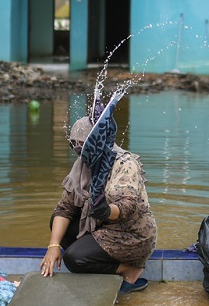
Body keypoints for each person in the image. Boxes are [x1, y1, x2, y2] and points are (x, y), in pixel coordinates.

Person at [39, 116, 158, 293]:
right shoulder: (82, 166)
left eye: (81, 146)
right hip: (101, 226)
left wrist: (105, 210)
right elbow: (65, 208)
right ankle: (97, 261)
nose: (78, 152)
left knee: (74, 259)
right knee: (57, 223)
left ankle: (128, 269)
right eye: (73, 146)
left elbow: (127, 207)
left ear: (96, 142)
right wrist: (53, 246)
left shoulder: (125, 164)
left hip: (130, 233)